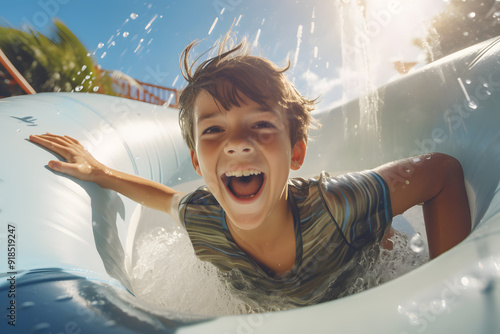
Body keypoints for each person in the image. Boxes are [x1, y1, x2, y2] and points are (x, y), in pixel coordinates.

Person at [29, 35, 471, 307]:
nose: (237, 142)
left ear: (297, 153)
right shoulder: (204, 217)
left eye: (261, 126)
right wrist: (100, 170)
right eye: (215, 130)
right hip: (281, 299)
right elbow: (162, 198)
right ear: (198, 163)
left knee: (383, 235)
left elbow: (442, 171)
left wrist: (446, 290)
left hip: (360, 267)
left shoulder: (340, 205)